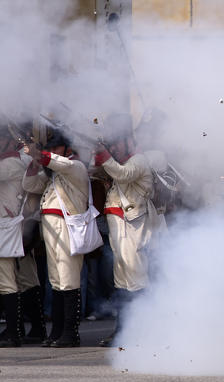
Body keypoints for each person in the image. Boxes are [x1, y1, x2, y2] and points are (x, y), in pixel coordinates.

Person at [22, 126, 91, 347]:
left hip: (67, 228)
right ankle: (58, 332)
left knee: (68, 279)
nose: (54, 151)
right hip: (51, 229)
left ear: (67, 148)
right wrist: (35, 162)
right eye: (50, 148)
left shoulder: (75, 166)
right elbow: (29, 184)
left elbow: (63, 163)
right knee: (56, 281)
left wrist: (39, 155)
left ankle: (71, 333)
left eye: (57, 147)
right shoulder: (52, 173)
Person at [93, 113, 156, 347]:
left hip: (133, 226)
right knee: (121, 280)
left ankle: (144, 330)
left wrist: (104, 155)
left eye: (118, 144)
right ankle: (122, 331)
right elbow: (97, 172)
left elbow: (123, 174)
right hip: (119, 227)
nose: (116, 148)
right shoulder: (119, 163)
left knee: (136, 278)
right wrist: (96, 154)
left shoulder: (138, 160)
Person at [0, 124, 28, 347]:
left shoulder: (11, 162)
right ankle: (14, 328)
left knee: (7, 282)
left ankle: (13, 332)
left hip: (5, 226)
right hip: (3, 224)